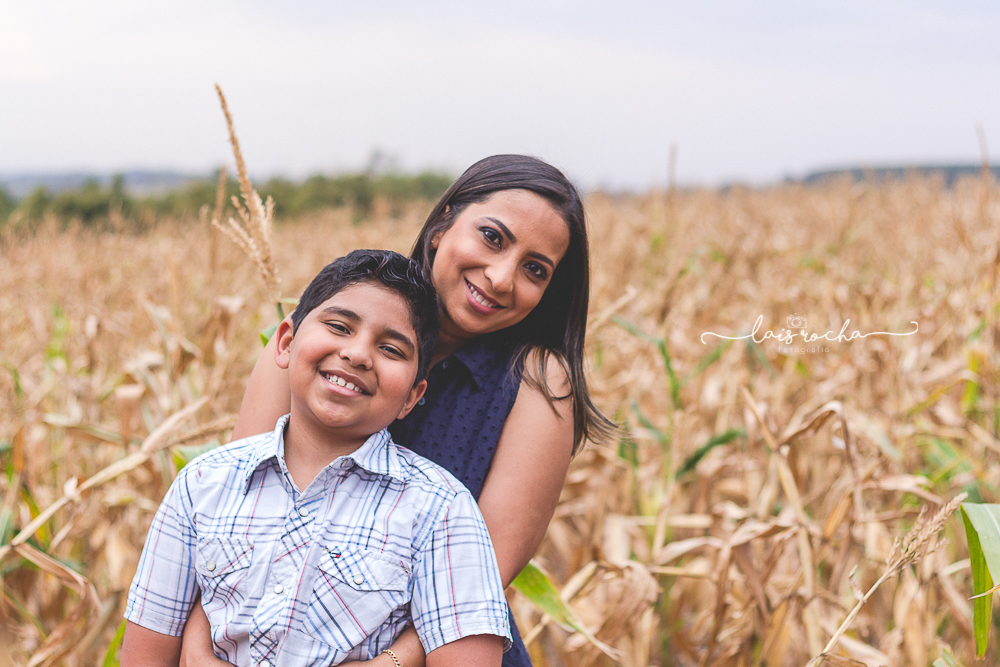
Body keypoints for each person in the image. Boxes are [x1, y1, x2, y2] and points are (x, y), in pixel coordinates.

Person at [183, 155, 614, 667]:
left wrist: (387, 662)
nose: (502, 278)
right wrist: (199, 645)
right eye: (492, 238)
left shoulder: (538, 381)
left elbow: (480, 579)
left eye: (535, 269)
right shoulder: (324, 336)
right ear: (442, 224)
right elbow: (231, 519)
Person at [122, 250, 512, 667]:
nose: (358, 354)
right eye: (339, 327)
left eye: (391, 349)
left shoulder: (440, 509)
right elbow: (145, 655)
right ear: (286, 343)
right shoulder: (203, 484)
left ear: (412, 397)